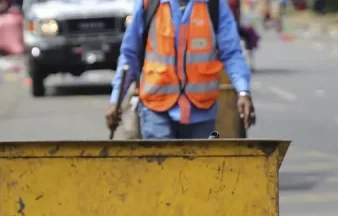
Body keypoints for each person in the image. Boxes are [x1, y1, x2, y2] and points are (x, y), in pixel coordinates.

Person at [105, 0, 256, 139]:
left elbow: (232, 53)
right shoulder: (148, 3)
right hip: (156, 109)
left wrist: (243, 91)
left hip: (201, 112)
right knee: (162, 166)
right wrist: (115, 100)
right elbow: (129, 55)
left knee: (198, 167)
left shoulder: (213, 4)